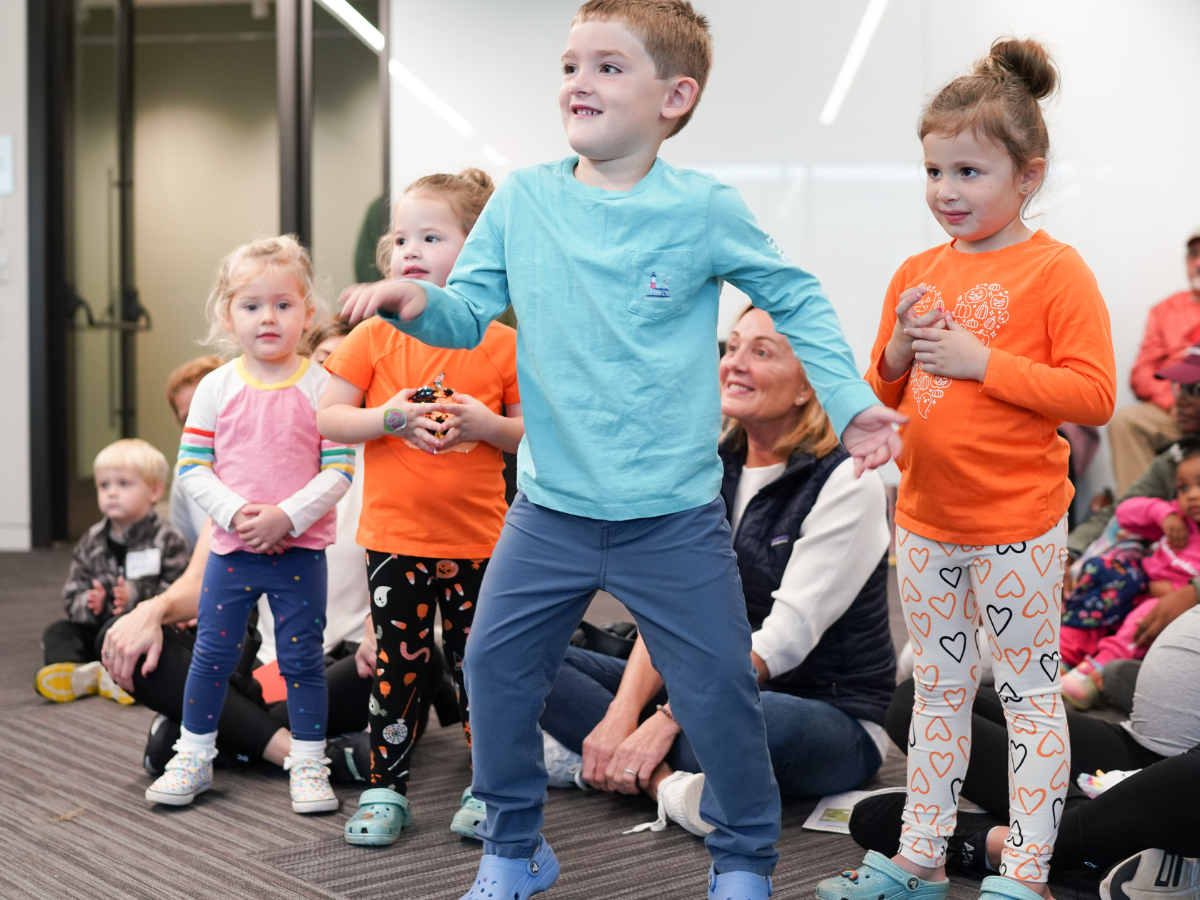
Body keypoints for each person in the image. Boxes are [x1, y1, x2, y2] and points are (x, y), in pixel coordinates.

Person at [340, 3, 903, 897]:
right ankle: (516, 845)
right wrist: (418, 305)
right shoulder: (525, 198)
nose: (578, 81)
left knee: (718, 690)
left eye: (608, 66)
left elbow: (792, 299)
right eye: (571, 65)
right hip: (552, 506)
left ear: (674, 97)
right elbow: (469, 312)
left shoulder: (703, 207)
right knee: (491, 662)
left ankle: (745, 860)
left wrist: (853, 402)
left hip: (670, 517)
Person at [817, 38, 1116, 900]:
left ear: (1028, 175)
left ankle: (1023, 870)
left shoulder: (1057, 270)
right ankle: (918, 858)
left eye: (969, 173)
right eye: (935, 171)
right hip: (925, 520)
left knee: (1026, 697)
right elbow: (882, 387)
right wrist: (899, 352)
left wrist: (984, 361)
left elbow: (1093, 394)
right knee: (939, 693)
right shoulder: (917, 272)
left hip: (1016, 523)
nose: (947, 192)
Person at [538, 305, 895, 834]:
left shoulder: (849, 479)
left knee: (746, 723)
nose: (735, 364)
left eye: (761, 352)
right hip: (699, 688)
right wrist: (620, 714)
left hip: (820, 710)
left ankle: (589, 759)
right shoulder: (707, 461)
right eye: (732, 348)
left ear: (806, 386)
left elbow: (784, 641)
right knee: (522, 661)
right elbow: (667, 610)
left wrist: (664, 718)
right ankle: (663, 783)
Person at [317, 168, 522, 846]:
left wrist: (484, 425)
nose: (409, 249)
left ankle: (486, 785)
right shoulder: (374, 337)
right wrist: (389, 418)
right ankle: (384, 787)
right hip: (397, 539)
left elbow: (532, 431)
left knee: (479, 670)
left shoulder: (500, 342)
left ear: (479, 248)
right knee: (398, 670)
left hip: (479, 541)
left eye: (431, 236)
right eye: (401, 236)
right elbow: (330, 417)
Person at [143, 235, 355, 815]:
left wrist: (288, 515)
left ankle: (308, 763)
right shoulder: (215, 386)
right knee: (211, 656)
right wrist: (237, 514)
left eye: (284, 305)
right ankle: (194, 754)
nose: (269, 317)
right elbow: (192, 465)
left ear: (308, 313)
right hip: (232, 552)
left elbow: (339, 469)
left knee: (302, 660)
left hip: (298, 552)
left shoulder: (322, 387)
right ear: (227, 314)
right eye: (252, 305)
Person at [847, 603, 1200, 900]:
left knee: (1190, 778)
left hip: (1185, 777)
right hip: (1140, 747)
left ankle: (991, 841)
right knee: (922, 701)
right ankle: (1081, 842)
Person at [99, 517, 377, 782]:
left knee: (401, 662)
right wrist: (153, 608)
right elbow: (200, 582)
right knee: (118, 634)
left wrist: (377, 624)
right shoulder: (241, 472)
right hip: (262, 667)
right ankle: (314, 758)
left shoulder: (383, 474)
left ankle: (215, 734)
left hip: (354, 662)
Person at [36, 438, 190, 705]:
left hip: (144, 631)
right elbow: (72, 594)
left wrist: (135, 598)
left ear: (154, 491)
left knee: (178, 643)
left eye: (123, 484)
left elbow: (179, 592)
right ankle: (81, 674)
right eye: (104, 485)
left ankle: (122, 675)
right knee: (58, 632)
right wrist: (90, 603)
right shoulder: (91, 539)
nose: (111, 493)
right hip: (98, 629)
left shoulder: (168, 539)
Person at [1060, 441, 1200, 708]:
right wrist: (1164, 513)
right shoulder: (1179, 519)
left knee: (1144, 615)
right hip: (1137, 586)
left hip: (1170, 604)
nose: (1192, 495)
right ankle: (1062, 657)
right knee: (1104, 576)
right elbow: (1124, 514)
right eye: (1183, 487)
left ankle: (1096, 672)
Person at [1107, 228, 1200, 495]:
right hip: (1174, 409)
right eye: (1193, 254)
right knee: (1125, 422)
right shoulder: (1164, 311)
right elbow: (1141, 373)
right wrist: (1173, 404)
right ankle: (1140, 518)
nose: (1199, 262)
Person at [165, 356, 226, 549]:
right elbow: (184, 545)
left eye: (206, 410)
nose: (200, 424)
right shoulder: (185, 469)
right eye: (188, 418)